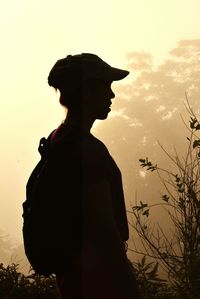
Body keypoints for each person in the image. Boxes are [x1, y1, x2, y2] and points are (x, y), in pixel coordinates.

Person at [46, 53, 142, 299]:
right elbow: (106, 234)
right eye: (105, 87)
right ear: (86, 90)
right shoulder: (87, 151)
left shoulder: (58, 139)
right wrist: (131, 289)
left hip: (73, 283)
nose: (112, 95)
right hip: (99, 284)